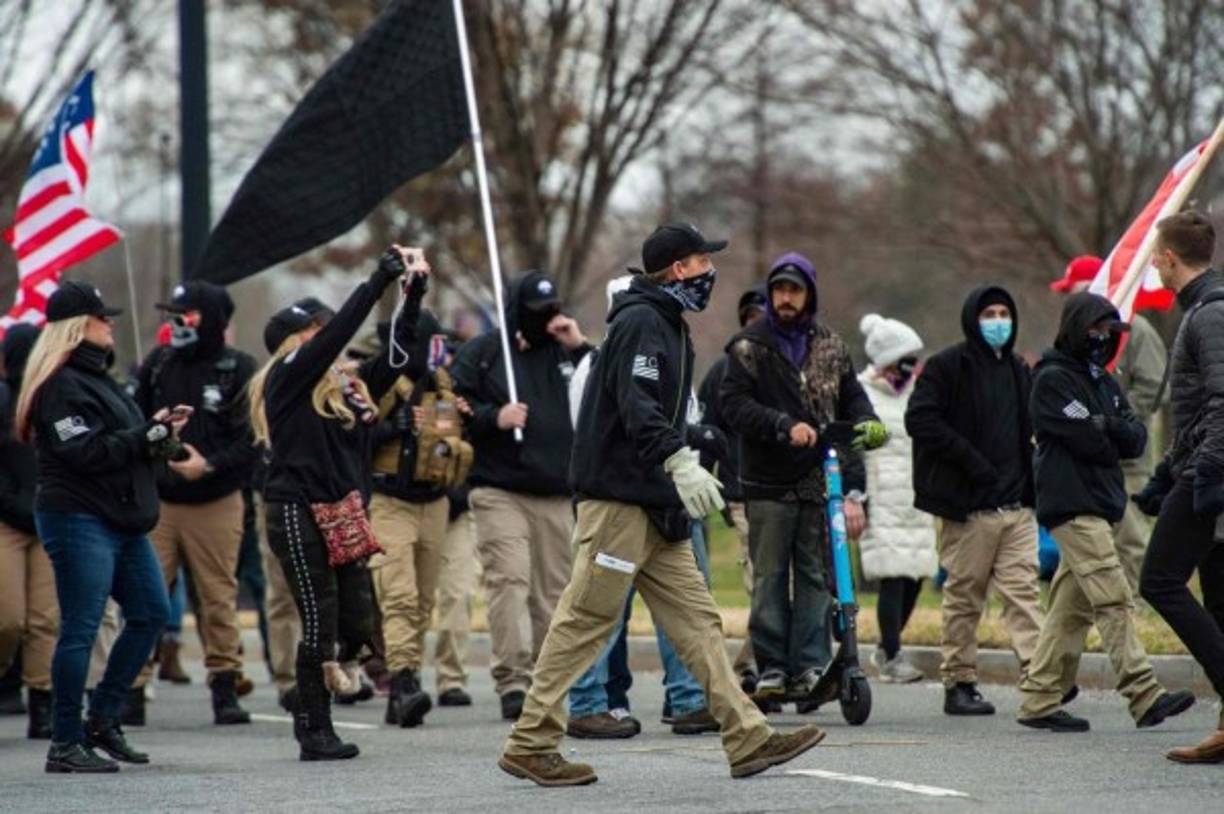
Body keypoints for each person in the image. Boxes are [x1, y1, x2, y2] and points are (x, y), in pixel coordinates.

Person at [499, 222, 824, 786]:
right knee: (585, 619)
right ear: (678, 269)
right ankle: (531, 742)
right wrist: (680, 460)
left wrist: (692, 447)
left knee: (698, 623)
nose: (709, 273)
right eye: (703, 262)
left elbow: (661, 413)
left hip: (656, 505)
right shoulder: (642, 321)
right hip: (620, 505)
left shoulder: (668, 323)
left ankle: (746, 738)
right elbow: (638, 406)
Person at [250, 245, 426, 761]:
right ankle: (314, 729)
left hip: (343, 514)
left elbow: (398, 357)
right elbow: (336, 337)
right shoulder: (286, 379)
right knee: (319, 622)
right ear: (294, 343)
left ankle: (323, 682)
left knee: (357, 622)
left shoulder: (347, 390)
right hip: (295, 511)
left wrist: (411, 295)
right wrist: (376, 280)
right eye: (315, 331)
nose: (327, 341)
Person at [18, 281, 182, 773]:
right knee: (81, 628)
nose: (110, 323)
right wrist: (144, 434)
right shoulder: (59, 383)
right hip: (77, 516)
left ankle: (103, 719)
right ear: (77, 328)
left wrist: (159, 433)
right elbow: (82, 451)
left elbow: (120, 440)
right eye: (101, 317)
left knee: (152, 612)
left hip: (120, 515)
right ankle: (64, 742)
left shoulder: (101, 379)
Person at [1018, 291, 1194, 732]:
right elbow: (1088, 441)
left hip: (1101, 503)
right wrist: (1107, 429)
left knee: (1070, 608)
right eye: (1095, 330)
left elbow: (1133, 439)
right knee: (1114, 596)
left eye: (1109, 332)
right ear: (1076, 329)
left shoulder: (1104, 381)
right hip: (1071, 505)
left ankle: (1039, 698)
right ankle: (1143, 693)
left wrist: (1105, 426)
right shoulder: (1051, 378)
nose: (1102, 339)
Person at [721, 253, 886, 705]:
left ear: (809, 294)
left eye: (795, 290)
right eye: (779, 290)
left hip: (818, 480)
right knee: (770, 576)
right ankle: (772, 667)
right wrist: (780, 425)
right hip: (767, 482)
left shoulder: (831, 346)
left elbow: (852, 397)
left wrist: (868, 423)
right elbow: (732, 405)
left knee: (814, 576)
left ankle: (810, 665)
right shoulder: (748, 346)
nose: (786, 298)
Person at [450, 270, 591, 720]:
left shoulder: (566, 352)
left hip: (556, 491)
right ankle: (513, 679)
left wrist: (580, 346)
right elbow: (453, 401)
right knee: (510, 580)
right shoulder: (488, 353)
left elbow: (606, 391)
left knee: (553, 595)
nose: (547, 319)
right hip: (500, 490)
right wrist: (495, 417)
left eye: (553, 310)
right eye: (538, 313)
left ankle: (549, 681)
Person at [905, 285, 1043, 716]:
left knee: (1024, 595)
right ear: (972, 318)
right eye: (989, 313)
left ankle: (1041, 679)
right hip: (968, 508)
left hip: (1016, 508)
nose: (998, 321)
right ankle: (959, 681)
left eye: (1005, 313)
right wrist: (972, 462)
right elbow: (920, 419)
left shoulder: (1019, 370)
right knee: (965, 597)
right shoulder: (948, 367)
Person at [132, 281, 258, 726]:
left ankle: (225, 685)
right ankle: (131, 689)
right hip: (161, 503)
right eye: (174, 313)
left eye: (188, 314)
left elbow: (254, 440)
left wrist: (210, 465)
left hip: (216, 500)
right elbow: (132, 424)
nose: (178, 322)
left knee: (218, 599)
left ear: (212, 319)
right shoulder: (158, 365)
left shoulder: (239, 368)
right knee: (145, 596)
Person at [1133, 211, 1224, 763]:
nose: (1152, 266)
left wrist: (1206, 474)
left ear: (1169, 258)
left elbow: (1222, 403)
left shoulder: (1210, 315)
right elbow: (1193, 417)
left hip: (1214, 474)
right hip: (1201, 468)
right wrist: (1166, 472)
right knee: (1220, 602)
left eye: (1155, 257)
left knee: (1159, 579)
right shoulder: (1199, 312)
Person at [367, 307, 472, 728]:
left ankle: (403, 679)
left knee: (424, 600)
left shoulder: (443, 385)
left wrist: (465, 421)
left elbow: (451, 443)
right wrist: (395, 424)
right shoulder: (381, 385)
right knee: (399, 595)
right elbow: (356, 437)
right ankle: (405, 681)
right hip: (390, 501)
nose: (437, 350)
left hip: (436, 502)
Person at [1050, 256, 1167, 591]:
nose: (1067, 301)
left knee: (1131, 540)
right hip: (1087, 466)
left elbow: (1154, 386)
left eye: (1072, 292)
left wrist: (1114, 422)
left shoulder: (1138, 332)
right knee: (1088, 550)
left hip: (1127, 466)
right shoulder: (1071, 342)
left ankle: (1140, 609)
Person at [856, 314, 935, 683]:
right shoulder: (862, 392)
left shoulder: (919, 392)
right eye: (905, 358)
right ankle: (892, 652)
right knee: (892, 576)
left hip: (916, 495)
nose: (911, 366)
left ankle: (887, 648)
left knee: (917, 573)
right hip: (882, 495)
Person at [697, 286, 767, 693]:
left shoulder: (794, 366)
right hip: (743, 493)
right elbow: (708, 434)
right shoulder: (722, 373)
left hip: (791, 493)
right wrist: (707, 492)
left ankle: (776, 665)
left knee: (790, 587)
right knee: (761, 585)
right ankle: (750, 669)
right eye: (750, 318)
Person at [0, 325, 57, 739]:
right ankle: (5, 680)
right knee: (8, 619)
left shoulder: (56, 398)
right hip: (6, 520)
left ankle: (43, 701)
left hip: (50, 517)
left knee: (44, 619)